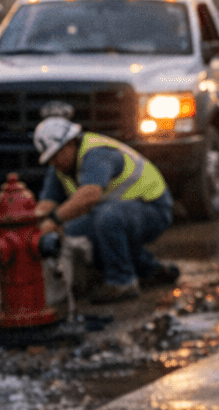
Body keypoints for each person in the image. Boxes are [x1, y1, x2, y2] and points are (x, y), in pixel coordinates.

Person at [31, 116, 179, 303]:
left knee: (106, 218)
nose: (53, 162)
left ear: (71, 143)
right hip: (119, 213)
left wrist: (53, 221)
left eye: (55, 155)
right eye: (49, 158)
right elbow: (46, 204)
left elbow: (90, 195)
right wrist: (32, 226)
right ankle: (150, 270)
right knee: (72, 233)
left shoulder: (96, 153)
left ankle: (122, 282)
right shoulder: (59, 167)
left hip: (152, 208)